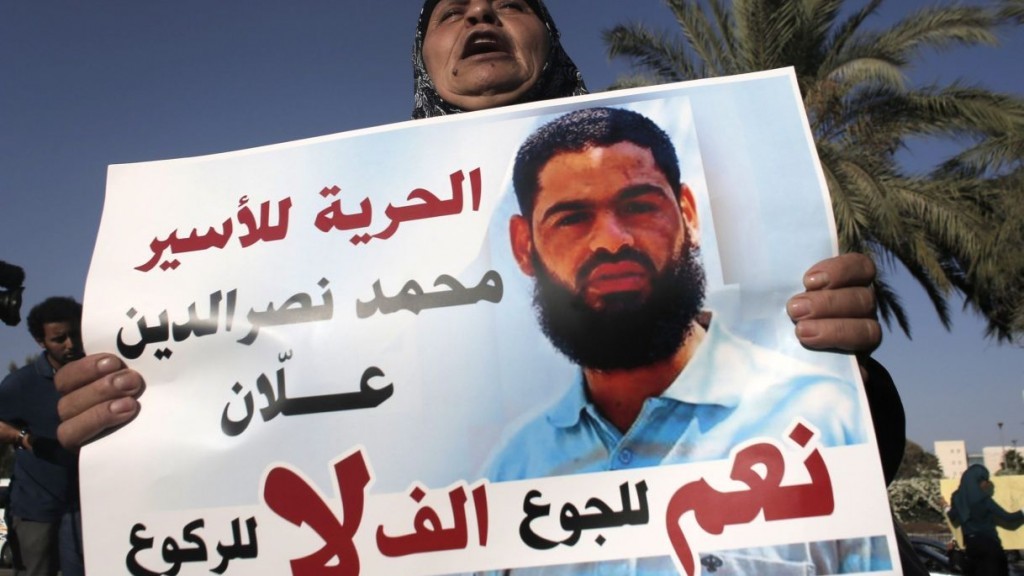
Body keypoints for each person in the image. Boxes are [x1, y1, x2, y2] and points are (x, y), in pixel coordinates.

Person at [52, 0, 921, 572]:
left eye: (508, 2)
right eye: (448, 9)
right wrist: (133, 429)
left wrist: (840, 364)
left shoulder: (675, 152)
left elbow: (848, 477)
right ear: (523, 241)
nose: (478, 15)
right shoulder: (328, 230)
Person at [0, 297, 84, 576]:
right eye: (60, 339)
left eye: (75, 334)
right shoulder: (21, 384)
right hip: (36, 508)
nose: (71, 344)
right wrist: (22, 436)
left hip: (86, 505)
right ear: (41, 341)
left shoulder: (97, 372)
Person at [948, 464, 1024, 575]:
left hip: (971, 547)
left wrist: (945, 506)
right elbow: (1008, 517)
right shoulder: (984, 500)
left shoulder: (957, 498)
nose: (987, 484)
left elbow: (952, 516)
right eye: (986, 480)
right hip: (990, 546)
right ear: (979, 481)